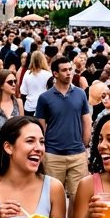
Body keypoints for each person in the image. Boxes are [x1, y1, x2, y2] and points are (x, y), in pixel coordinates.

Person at [36, 56, 92, 202]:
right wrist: (42, 149)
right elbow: (40, 127)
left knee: (78, 198)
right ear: (55, 73)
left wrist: (84, 145)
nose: (69, 73)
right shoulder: (44, 98)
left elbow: (86, 120)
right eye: (64, 70)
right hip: (53, 155)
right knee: (53, 198)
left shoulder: (80, 93)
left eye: (70, 69)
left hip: (77, 155)